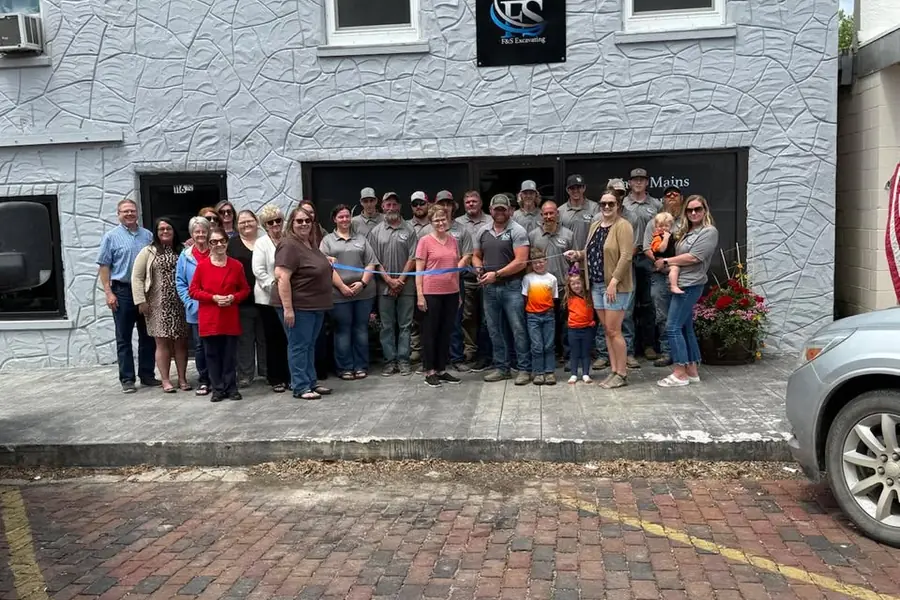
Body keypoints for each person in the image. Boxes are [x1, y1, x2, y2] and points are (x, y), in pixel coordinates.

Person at [565, 192, 634, 389]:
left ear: (618, 205)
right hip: (596, 285)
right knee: (607, 330)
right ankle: (614, 370)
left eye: (611, 203)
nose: (606, 207)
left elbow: (626, 256)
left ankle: (622, 373)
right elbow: (592, 252)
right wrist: (578, 254)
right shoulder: (595, 225)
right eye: (603, 204)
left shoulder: (623, 226)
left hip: (614, 287)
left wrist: (614, 282)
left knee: (614, 330)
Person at [656, 195, 719, 388]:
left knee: (672, 327)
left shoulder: (709, 231)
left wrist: (666, 261)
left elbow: (694, 257)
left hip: (690, 284)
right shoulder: (686, 231)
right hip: (682, 282)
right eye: (690, 210)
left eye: (698, 209)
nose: (693, 213)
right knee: (684, 327)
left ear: (704, 210)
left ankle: (679, 373)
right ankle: (691, 371)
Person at [97, 198, 157, 393]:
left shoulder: (147, 235)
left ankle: (147, 375)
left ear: (137, 213)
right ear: (119, 214)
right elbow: (104, 266)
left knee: (147, 335)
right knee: (124, 337)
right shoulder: (111, 237)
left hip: (145, 291)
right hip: (122, 291)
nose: (130, 214)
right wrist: (108, 292)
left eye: (132, 210)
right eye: (125, 211)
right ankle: (127, 379)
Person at [274, 206, 334, 400]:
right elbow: (282, 277)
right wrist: (288, 309)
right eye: (299, 221)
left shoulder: (310, 243)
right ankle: (300, 386)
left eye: (307, 221)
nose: (304, 224)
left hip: (315, 305)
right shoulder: (289, 245)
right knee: (299, 346)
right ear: (291, 223)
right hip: (299, 306)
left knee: (309, 345)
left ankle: (310, 382)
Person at [473, 194, 531, 385]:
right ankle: (502, 368)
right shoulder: (482, 231)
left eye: (503, 209)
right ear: (490, 210)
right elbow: (476, 255)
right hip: (489, 288)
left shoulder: (518, 230)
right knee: (494, 329)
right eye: (496, 209)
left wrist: (496, 274)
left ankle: (524, 368)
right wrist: (478, 268)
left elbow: (521, 261)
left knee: (518, 328)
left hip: (512, 286)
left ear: (510, 210)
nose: (499, 212)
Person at [188, 227, 251, 402]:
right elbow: (193, 291)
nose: (219, 245)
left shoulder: (236, 265)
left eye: (222, 241)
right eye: (214, 242)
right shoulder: (202, 266)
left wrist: (233, 297)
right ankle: (217, 388)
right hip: (210, 317)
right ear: (209, 244)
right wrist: (213, 297)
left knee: (229, 355)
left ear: (227, 242)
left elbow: (245, 289)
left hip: (229, 315)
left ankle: (231, 387)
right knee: (212, 355)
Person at [131, 217, 189, 393]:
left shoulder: (183, 250)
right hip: (157, 304)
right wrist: (140, 301)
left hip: (180, 303)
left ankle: (182, 378)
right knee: (161, 342)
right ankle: (165, 380)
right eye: (161, 229)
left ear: (174, 231)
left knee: (181, 342)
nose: (165, 231)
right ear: (156, 233)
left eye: (168, 228)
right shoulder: (148, 251)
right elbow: (137, 277)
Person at [321, 204, 378, 380]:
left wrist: (362, 283)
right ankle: (344, 367)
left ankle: (361, 365)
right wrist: (342, 287)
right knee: (342, 330)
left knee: (361, 329)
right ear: (335, 219)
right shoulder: (327, 241)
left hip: (363, 293)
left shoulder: (361, 239)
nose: (345, 220)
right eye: (341, 217)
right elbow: (326, 267)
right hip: (339, 295)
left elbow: (371, 263)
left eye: (347, 216)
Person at [421, 191, 474, 372]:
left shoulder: (457, 235)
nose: (445, 207)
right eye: (442, 204)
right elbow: (419, 267)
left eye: (448, 204)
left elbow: (465, 256)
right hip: (431, 289)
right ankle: (430, 369)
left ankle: (449, 363)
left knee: (450, 326)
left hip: (453, 286)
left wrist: (453, 272)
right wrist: (420, 294)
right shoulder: (425, 236)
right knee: (431, 329)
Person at [367, 193, 417, 377]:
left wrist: (400, 280)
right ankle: (390, 361)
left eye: (394, 204)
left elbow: (413, 257)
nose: (391, 208)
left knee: (405, 325)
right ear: (382, 207)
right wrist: (389, 280)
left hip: (407, 286)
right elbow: (374, 260)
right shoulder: (376, 232)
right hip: (384, 286)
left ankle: (404, 361)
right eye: (388, 205)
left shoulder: (410, 229)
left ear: (400, 207)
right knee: (387, 326)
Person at [415, 205, 462, 388]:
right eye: (436, 220)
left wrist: (458, 292)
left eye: (443, 219)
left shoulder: (453, 241)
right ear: (431, 222)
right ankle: (430, 371)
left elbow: (455, 269)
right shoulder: (424, 241)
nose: (441, 223)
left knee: (445, 332)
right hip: (431, 293)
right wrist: (420, 295)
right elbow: (419, 271)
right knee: (430, 333)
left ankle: (441, 369)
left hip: (451, 293)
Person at [623, 168, 662, 363]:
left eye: (642, 179)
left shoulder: (656, 205)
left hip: (648, 259)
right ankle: (628, 350)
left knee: (648, 304)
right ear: (629, 183)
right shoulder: (622, 204)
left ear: (647, 182)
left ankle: (648, 345)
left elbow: (663, 230)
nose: (638, 182)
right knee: (627, 306)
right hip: (627, 259)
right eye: (635, 179)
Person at [643, 186, 685, 367]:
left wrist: (672, 262)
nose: (672, 198)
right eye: (668, 196)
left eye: (675, 195)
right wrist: (660, 262)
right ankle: (667, 351)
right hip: (659, 275)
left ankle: (683, 351)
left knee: (682, 314)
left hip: (683, 274)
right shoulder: (654, 222)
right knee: (662, 315)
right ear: (663, 200)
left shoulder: (686, 222)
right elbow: (647, 248)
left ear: (681, 198)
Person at [529, 200, 575, 363]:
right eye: (545, 214)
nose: (548, 216)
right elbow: (529, 262)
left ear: (557, 214)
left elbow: (575, 261)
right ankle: (550, 356)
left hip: (563, 287)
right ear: (541, 215)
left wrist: (573, 281)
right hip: (541, 288)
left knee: (566, 323)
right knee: (546, 323)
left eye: (551, 213)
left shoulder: (568, 235)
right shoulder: (533, 235)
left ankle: (567, 355)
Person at [251, 205, 291, 393]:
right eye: (270, 222)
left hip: (289, 297)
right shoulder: (261, 243)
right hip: (268, 299)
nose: (275, 224)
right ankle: (275, 377)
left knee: (289, 339)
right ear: (265, 225)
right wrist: (275, 286)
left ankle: (290, 376)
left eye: (278, 220)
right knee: (273, 339)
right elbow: (258, 270)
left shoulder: (289, 239)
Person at [227, 210, 266, 387]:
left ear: (256, 222)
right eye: (242, 222)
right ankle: (245, 374)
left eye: (249, 221)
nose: (246, 224)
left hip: (265, 299)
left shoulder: (265, 241)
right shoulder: (232, 245)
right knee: (244, 340)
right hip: (243, 300)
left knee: (265, 338)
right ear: (237, 225)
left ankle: (267, 371)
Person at [455, 191, 492, 370]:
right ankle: (470, 349)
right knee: (467, 316)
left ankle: (487, 352)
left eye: (474, 201)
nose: (471, 204)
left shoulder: (491, 220)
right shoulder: (458, 223)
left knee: (487, 317)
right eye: (468, 201)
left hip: (488, 277)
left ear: (481, 203)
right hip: (466, 278)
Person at [176, 216, 213, 396]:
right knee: (200, 346)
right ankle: (204, 380)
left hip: (216, 307)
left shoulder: (216, 251)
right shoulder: (186, 256)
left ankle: (218, 377)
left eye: (203, 231)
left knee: (216, 344)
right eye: (197, 232)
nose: (200, 235)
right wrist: (189, 303)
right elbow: (180, 282)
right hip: (196, 309)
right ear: (192, 234)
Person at [522, 248, 557, 385]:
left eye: (541, 262)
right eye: (535, 263)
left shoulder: (552, 279)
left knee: (549, 345)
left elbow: (553, 297)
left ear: (546, 261)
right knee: (537, 345)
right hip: (532, 316)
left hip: (548, 315)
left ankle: (549, 372)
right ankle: (538, 372)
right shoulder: (528, 278)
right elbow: (525, 297)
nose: (538, 265)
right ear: (531, 264)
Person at [565, 269, 595, 384]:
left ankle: (586, 374)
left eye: (578, 283)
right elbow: (564, 314)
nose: (576, 286)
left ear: (583, 283)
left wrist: (592, 322)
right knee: (574, 352)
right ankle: (573, 374)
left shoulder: (589, 297)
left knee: (585, 352)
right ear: (569, 285)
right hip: (573, 329)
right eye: (573, 284)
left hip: (587, 328)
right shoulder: (568, 298)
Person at [558, 174, 598, 250]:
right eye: (572, 188)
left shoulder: (594, 208)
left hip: (589, 253)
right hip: (568, 254)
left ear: (584, 188)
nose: (575, 191)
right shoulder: (560, 211)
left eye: (578, 187)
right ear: (567, 190)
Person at [648, 212, 682, 294]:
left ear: (670, 227)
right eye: (660, 226)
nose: (663, 228)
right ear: (656, 227)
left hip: (670, 260)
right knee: (675, 268)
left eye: (666, 226)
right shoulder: (657, 238)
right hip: (662, 262)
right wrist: (666, 238)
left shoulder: (670, 235)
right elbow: (661, 249)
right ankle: (673, 286)